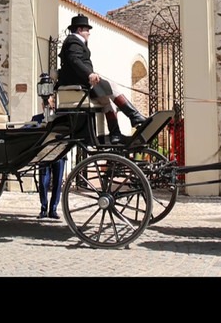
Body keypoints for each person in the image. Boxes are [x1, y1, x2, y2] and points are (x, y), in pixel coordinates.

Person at [56, 14, 146, 143]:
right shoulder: (73, 41)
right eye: (87, 30)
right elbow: (74, 60)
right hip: (78, 82)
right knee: (112, 86)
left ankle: (115, 134)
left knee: (107, 101)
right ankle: (134, 116)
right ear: (79, 30)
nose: (89, 34)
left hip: (83, 81)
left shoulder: (76, 42)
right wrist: (89, 74)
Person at [27, 96, 65, 219]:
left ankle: (53, 209)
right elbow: (28, 128)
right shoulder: (37, 118)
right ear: (43, 106)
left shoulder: (60, 118)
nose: (49, 106)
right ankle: (43, 208)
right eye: (46, 103)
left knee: (57, 182)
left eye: (51, 103)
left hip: (58, 153)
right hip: (43, 155)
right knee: (43, 182)